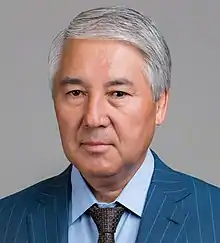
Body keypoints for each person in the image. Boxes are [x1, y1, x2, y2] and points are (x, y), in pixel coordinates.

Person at [0, 6, 219, 243]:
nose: (94, 118)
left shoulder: (212, 216)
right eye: (76, 93)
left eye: (117, 94)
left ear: (160, 104)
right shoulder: (7, 220)